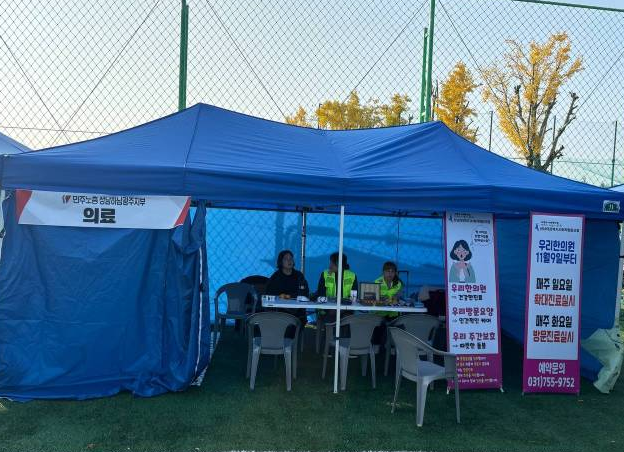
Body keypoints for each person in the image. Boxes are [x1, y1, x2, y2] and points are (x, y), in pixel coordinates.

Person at [265, 250, 310, 332]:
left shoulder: (299, 276)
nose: (289, 261)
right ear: (281, 262)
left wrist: (290, 296)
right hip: (281, 313)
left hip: (298, 313)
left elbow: (305, 292)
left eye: (291, 259)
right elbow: (270, 295)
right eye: (286, 259)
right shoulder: (276, 277)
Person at [315, 252, 358, 324]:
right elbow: (321, 294)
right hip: (327, 308)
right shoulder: (325, 274)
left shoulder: (352, 276)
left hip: (346, 309)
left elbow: (354, 297)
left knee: (346, 318)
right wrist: (331, 307)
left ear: (339, 264)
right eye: (330, 262)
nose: (330, 266)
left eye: (332, 263)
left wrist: (341, 308)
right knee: (329, 317)